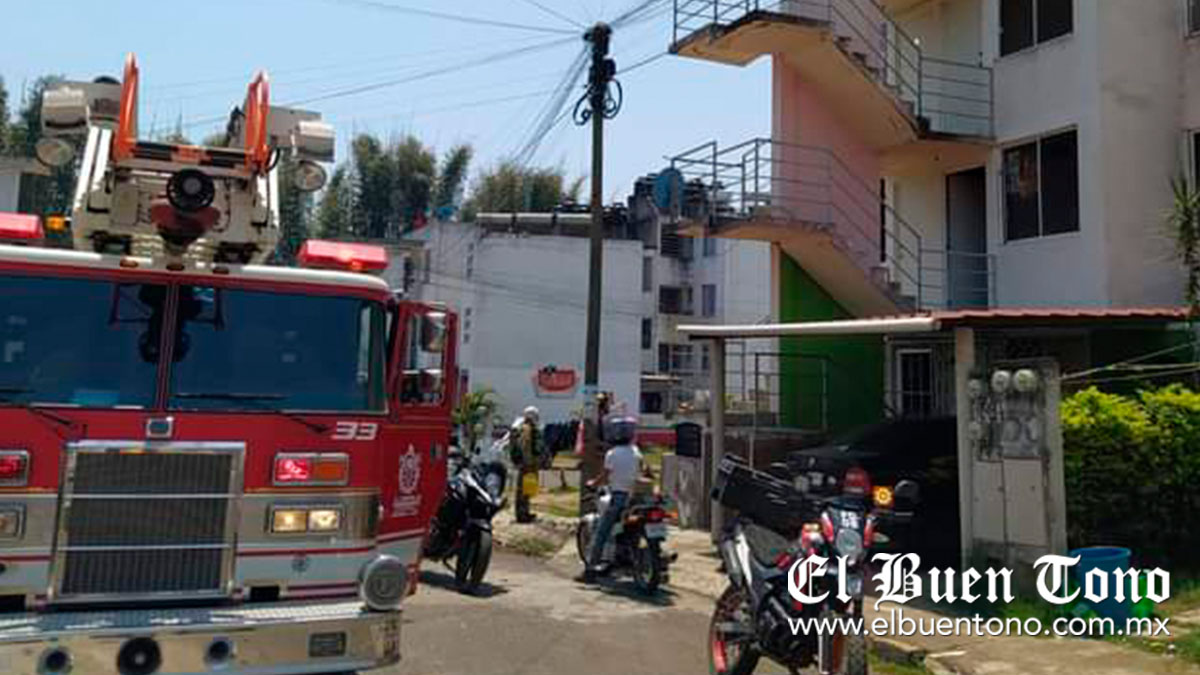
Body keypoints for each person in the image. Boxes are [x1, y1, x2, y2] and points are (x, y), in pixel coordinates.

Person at [582, 414, 649, 581]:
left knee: (601, 533)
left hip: (619, 497)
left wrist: (592, 483)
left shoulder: (612, 453)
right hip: (637, 497)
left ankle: (590, 570)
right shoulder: (636, 451)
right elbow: (645, 471)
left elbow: (604, 476)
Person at [512, 406, 541, 523]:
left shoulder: (525, 427)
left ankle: (525, 512)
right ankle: (522, 514)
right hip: (527, 464)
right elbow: (525, 446)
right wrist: (528, 462)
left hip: (526, 463)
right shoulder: (526, 429)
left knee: (527, 488)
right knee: (524, 490)